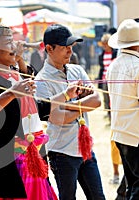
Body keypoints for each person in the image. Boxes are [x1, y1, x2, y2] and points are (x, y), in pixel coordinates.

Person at [0, 22, 81, 199]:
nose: (14, 47)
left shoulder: (14, 75)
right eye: (8, 43)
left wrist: (66, 95)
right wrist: (12, 93)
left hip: (33, 159)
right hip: (10, 167)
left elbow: (37, 108)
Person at [35, 24, 105, 200]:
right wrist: (79, 103)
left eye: (71, 47)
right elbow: (58, 118)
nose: (70, 51)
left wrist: (67, 104)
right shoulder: (41, 81)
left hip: (85, 148)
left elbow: (97, 100)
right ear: (49, 49)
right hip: (62, 151)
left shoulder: (77, 70)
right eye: (65, 47)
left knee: (98, 196)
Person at [106, 18, 139, 200]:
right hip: (136, 135)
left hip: (120, 133)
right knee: (137, 185)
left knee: (131, 182)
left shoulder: (114, 65)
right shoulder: (137, 66)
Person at [97, 33, 118, 121]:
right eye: (103, 44)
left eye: (106, 43)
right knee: (105, 97)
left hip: (113, 79)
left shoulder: (116, 53)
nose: (104, 46)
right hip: (104, 79)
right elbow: (102, 68)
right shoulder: (101, 55)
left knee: (113, 98)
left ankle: (114, 114)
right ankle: (109, 114)